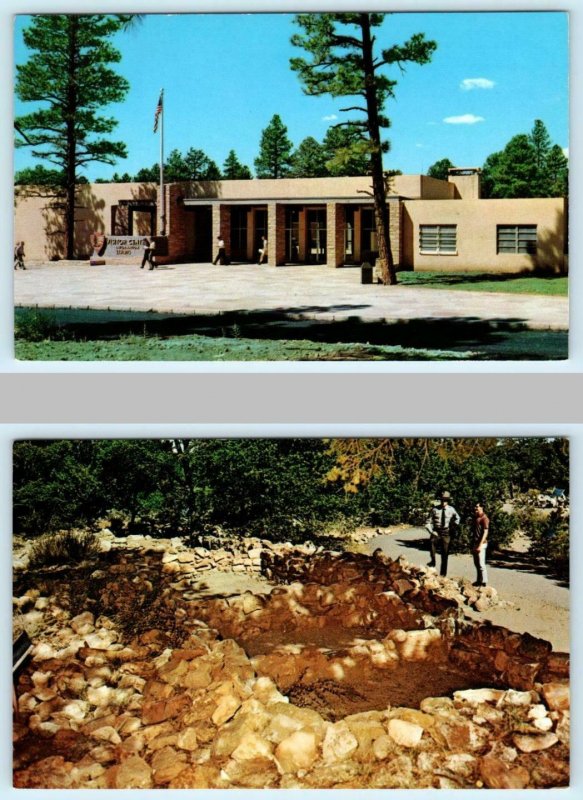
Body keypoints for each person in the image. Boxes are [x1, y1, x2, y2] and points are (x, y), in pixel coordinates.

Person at [425, 490, 461, 577]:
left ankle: (443, 574)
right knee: (432, 545)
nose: (443, 502)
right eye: (442, 500)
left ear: (448, 501)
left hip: (446, 533)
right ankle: (433, 561)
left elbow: (458, 518)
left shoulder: (451, 509)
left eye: (445, 500)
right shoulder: (435, 509)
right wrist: (431, 531)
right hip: (436, 532)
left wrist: (453, 527)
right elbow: (427, 522)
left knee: (445, 554)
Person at [472, 502, 490, 587]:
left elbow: (485, 532)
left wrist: (480, 545)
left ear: (481, 507)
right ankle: (479, 580)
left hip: (481, 544)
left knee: (481, 564)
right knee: (476, 563)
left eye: (477, 507)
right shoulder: (476, 517)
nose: (475, 508)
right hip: (475, 543)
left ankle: (484, 582)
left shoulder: (484, 518)